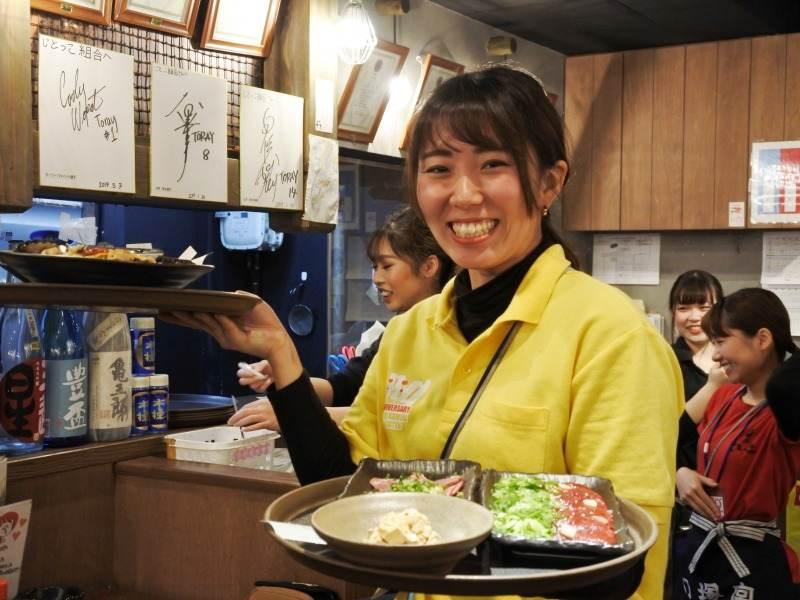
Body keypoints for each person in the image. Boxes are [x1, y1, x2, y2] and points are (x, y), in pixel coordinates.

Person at [164, 65, 683, 600]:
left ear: (550, 182)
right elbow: (341, 484)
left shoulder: (612, 338)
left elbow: (623, 566)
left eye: (493, 165)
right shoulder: (410, 332)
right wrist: (281, 354)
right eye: (439, 169)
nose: (463, 194)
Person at [229, 206, 455, 431]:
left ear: (428, 266)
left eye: (387, 266)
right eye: (375, 267)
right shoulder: (398, 333)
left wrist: (297, 413)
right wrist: (284, 376)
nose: (377, 279)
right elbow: (342, 388)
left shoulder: (453, 335)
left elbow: (405, 417)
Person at [672, 288, 800, 598]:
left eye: (721, 341)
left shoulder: (787, 411)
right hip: (699, 549)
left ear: (762, 339)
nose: (714, 354)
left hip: (752, 558)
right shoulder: (723, 395)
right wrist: (680, 473)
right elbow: (673, 438)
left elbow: (784, 384)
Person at [669, 270, 727, 471]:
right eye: (684, 308)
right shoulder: (667, 361)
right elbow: (668, 433)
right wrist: (712, 387)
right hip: (683, 480)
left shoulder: (735, 358)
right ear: (673, 313)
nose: (695, 317)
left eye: (704, 307)